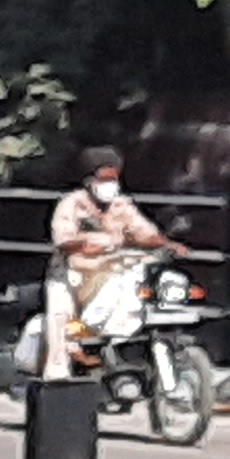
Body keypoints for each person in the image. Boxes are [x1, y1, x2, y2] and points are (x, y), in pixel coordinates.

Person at [40, 145, 169, 381]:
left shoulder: (122, 206)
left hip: (106, 275)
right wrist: (83, 246)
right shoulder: (71, 204)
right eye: (104, 179)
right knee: (60, 319)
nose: (110, 184)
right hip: (70, 275)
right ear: (90, 180)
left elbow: (143, 232)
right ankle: (55, 381)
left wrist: (166, 243)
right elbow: (62, 240)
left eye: (113, 179)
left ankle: (117, 356)